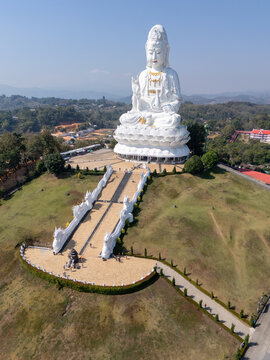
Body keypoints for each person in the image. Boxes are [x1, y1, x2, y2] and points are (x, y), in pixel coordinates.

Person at [119, 25, 181, 129]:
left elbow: (177, 100)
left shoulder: (171, 74)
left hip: (162, 115)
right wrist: (137, 96)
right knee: (125, 118)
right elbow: (137, 107)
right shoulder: (143, 75)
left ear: (166, 52)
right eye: (151, 53)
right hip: (144, 115)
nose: (154, 57)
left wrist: (169, 107)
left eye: (158, 52)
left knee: (172, 120)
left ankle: (153, 126)